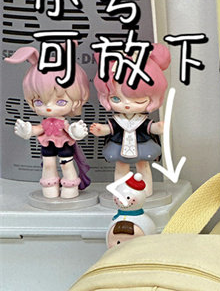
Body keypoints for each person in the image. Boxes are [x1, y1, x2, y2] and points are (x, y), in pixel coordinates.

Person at [5, 46, 91, 200]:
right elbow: (38, 129)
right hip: (47, 145)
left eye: (60, 101)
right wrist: (28, 131)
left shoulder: (62, 122)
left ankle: (70, 185)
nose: (49, 107)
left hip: (64, 145)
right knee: (48, 164)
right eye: (39, 102)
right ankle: (49, 185)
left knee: (67, 164)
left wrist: (75, 132)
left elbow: (69, 130)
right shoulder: (45, 122)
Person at [90, 44, 171, 198]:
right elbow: (110, 128)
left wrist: (158, 128)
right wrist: (101, 130)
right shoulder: (117, 119)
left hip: (141, 143)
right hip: (119, 144)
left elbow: (149, 127)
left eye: (138, 100)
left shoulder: (141, 119)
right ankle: (120, 191)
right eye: (116, 99)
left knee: (143, 166)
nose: (127, 105)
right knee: (121, 167)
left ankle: (146, 191)